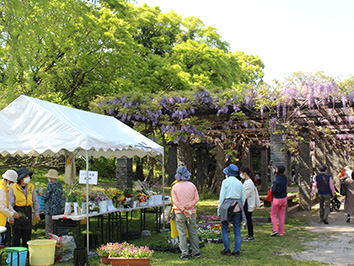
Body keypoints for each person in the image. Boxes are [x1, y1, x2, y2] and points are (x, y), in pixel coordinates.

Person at [171, 165, 200, 260]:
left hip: (180, 212)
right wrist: (189, 206)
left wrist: (183, 209)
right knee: (193, 232)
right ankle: (196, 252)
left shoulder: (175, 187)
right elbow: (197, 199)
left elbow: (175, 201)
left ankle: (185, 253)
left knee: (182, 233)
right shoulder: (192, 185)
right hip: (191, 212)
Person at [218, 164, 246, 257]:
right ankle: (237, 250)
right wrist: (241, 206)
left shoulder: (225, 182)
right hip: (237, 206)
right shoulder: (239, 183)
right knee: (237, 229)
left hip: (227, 206)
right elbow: (243, 197)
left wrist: (219, 209)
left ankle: (227, 249)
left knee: (224, 228)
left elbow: (222, 197)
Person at [9, 167, 41, 247]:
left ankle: (26, 254)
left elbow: (35, 201)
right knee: (16, 236)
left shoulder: (31, 187)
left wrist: (37, 214)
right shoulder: (13, 188)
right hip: (17, 210)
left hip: (28, 211)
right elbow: (10, 203)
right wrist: (11, 216)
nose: (27, 178)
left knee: (27, 236)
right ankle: (16, 256)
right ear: (21, 178)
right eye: (26, 176)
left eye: (28, 176)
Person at [0, 170, 21, 247]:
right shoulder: (1, 189)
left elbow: (6, 203)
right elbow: (1, 207)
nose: (12, 184)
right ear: (7, 180)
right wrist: (12, 214)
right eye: (12, 182)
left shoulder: (5, 188)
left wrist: (13, 212)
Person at [239, 166, 260, 241]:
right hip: (247, 203)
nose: (241, 175)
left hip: (248, 204)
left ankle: (251, 235)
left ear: (245, 173)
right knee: (248, 219)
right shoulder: (246, 182)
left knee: (249, 219)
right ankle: (249, 234)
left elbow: (246, 194)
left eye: (241, 173)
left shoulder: (249, 182)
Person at [41, 169, 63, 237]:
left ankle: (49, 241)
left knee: (49, 226)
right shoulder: (59, 185)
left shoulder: (50, 184)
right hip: (57, 208)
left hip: (50, 209)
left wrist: (41, 195)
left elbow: (46, 196)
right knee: (55, 226)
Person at [270, 165, 288, 236]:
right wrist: (273, 170)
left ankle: (275, 229)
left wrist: (272, 188)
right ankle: (281, 232)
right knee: (281, 216)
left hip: (277, 199)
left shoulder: (276, 180)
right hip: (284, 199)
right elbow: (278, 175)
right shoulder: (285, 178)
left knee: (273, 215)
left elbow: (274, 190)